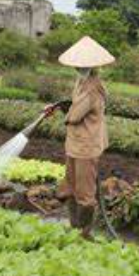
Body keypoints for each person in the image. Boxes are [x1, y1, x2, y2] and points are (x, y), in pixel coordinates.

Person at [45, 36, 114, 238]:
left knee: (84, 193)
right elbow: (73, 104)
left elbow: (75, 116)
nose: (77, 69)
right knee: (70, 186)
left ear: (90, 66)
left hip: (86, 146)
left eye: (79, 66)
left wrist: (61, 110)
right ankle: (74, 227)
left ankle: (84, 232)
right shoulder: (81, 82)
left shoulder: (93, 88)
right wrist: (57, 105)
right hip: (75, 144)